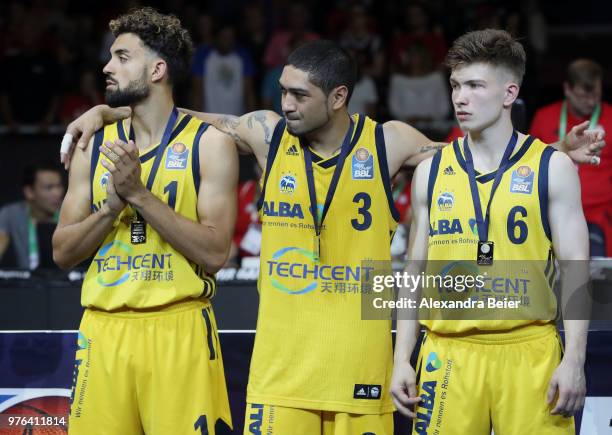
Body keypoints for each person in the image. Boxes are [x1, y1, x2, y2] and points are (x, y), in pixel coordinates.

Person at [60, 38, 603, 434]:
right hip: (281, 373)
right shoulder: (268, 134)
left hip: (362, 369)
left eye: (299, 95)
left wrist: (554, 155)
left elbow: (476, 155)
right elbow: (186, 116)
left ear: (339, 96)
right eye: (283, 93)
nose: (287, 104)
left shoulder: (388, 142)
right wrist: (106, 109)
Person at [392, 29, 589, 434]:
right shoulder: (430, 173)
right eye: (455, 85)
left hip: (530, 351)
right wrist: (400, 359)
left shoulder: (552, 168)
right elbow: (414, 274)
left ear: (509, 93)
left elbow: (575, 269)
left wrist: (573, 360)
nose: (460, 97)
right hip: (447, 354)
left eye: (475, 85)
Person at [52, 8, 236, 434]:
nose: (107, 67)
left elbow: (214, 253)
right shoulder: (91, 145)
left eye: (121, 57)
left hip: (180, 326)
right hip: (102, 329)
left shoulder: (210, 145)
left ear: (157, 69)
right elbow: (62, 252)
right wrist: (110, 209)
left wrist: (139, 196)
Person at [530, 59, 612, 257]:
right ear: (567, 89)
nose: (591, 102)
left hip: (599, 214)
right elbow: (530, 163)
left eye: (596, 95)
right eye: (584, 96)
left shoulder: (611, 116)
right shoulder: (544, 116)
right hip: (551, 211)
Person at [0, 162, 64, 269]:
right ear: (29, 192)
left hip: (67, 283)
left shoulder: (70, 212)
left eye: (59, 186)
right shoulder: (11, 214)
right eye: (49, 187)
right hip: (29, 283)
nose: (57, 193)